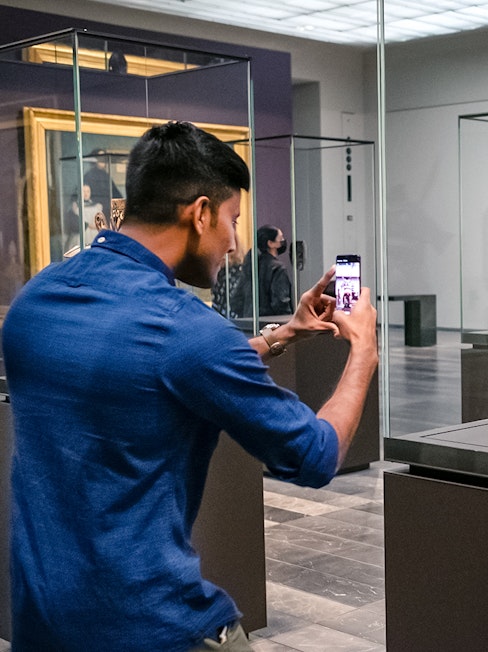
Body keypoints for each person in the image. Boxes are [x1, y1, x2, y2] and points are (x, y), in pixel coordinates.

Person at [1, 121, 378, 651]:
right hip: (152, 629)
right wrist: (364, 349)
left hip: (42, 625)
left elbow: (146, 372)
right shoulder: (185, 329)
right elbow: (314, 456)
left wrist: (282, 335)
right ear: (200, 213)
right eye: (232, 221)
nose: (235, 243)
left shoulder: (34, 303)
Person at [239, 224, 293, 316]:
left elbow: (238, 297)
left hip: (250, 320)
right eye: (280, 238)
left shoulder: (251, 265)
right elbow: (281, 302)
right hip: (271, 322)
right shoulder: (278, 268)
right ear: (270, 243)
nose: (283, 241)